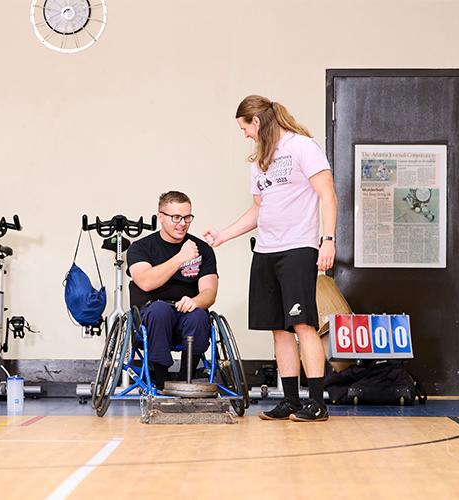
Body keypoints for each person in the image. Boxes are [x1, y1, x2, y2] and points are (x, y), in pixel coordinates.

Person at [203, 95, 337, 422]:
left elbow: (328, 195)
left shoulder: (304, 147)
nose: (244, 134)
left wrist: (328, 240)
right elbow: (258, 210)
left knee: (303, 325)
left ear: (257, 122)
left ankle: (316, 403)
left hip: (297, 248)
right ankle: (290, 400)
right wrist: (223, 235)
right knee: (279, 329)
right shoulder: (260, 160)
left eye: (244, 127)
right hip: (265, 251)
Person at [127, 191, 219, 391]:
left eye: (187, 217)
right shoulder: (141, 248)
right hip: (151, 314)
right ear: (160, 216)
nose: (183, 223)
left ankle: (186, 380)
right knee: (160, 310)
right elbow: (145, 282)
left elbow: (209, 292)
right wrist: (180, 258)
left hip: (185, 312)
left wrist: (196, 301)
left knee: (198, 315)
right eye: (176, 217)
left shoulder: (202, 249)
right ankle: (161, 381)